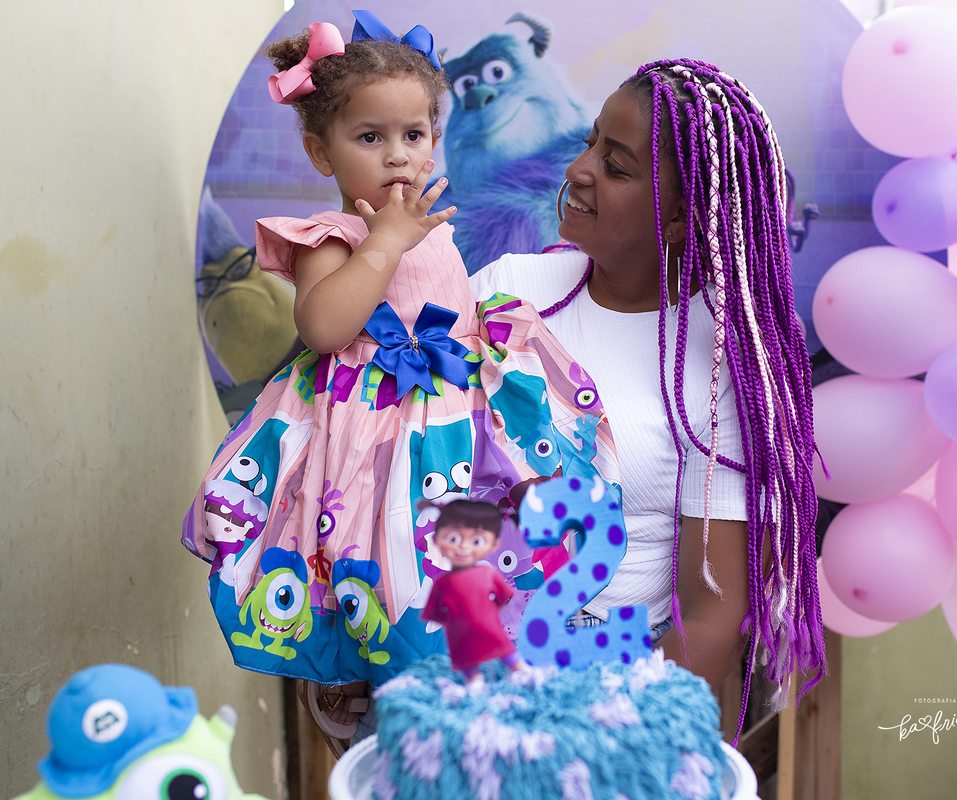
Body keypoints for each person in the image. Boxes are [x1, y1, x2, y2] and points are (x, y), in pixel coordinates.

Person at [180, 11, 619, 745]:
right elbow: (324, 327)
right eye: (369, 138)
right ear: (321, 152)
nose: (396, 157)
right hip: (368, 435)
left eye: (413, 136)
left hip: (451, 421)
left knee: (470, 534)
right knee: (374, 554)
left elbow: (449, 303)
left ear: (435, 140)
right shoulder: (333, 237)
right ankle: (368, 678)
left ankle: (491, 642)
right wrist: (381, 242)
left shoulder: (435, 220)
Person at [470, 59, 825, 734]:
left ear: (686, 217)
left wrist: (608, 739)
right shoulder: (506, 288)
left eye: (617, 165)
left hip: (608, 696)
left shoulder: (722, 360)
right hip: (460, 669)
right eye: (589, 142)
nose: (579, 171)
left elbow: (711, 612)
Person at [420, 498, 527, 684]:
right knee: (469, 665)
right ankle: (475, 684)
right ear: (436, 540)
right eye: (453, 538)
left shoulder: (487, 573)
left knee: (508, 655)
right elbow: (435, 613)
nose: (463, 546)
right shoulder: (442, 584)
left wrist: (487, 613)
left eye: (476, 540)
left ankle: (521, 673)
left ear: (493, 545)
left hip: (489, 629)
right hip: (461, 636)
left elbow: (505, 596)